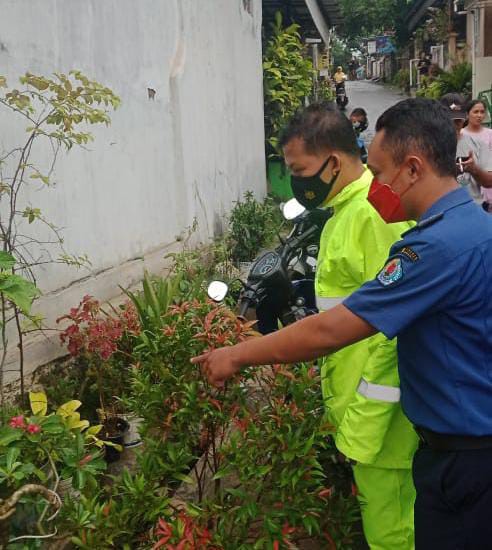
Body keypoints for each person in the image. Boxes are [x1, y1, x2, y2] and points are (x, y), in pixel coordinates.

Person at [193, 98, 492, 549]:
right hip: (455, 441)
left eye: (379, 169)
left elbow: (335, 330)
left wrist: (235, 354)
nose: (375, 183)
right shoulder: (470, 227)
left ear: (413, 169)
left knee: (397, 537)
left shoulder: (432, 248)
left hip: (447, 451)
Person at [278, 103, 418, 550]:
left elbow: (398, 330)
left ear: (333, 162)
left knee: (393, 536)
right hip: (367, 422)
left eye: (299, 170)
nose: (295, 182)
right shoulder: (345, 213)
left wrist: (363, 425)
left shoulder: (372, 216)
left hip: (384, 432)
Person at [440, 93, 492, 207]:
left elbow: (489, 181)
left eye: (458, 120)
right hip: (444, 208)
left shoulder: (479, 144)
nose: (455, 124)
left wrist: (474, 169)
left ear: (465, 118)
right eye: (451, 120)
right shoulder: (432, 144)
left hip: (473, 206)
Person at [462, 99, 492, 210]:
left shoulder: (490, 135)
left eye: (482, 112)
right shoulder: (460, 135)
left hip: (488, 191)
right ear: (467, 114)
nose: (479, 115)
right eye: (476, 112)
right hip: (468, 190)